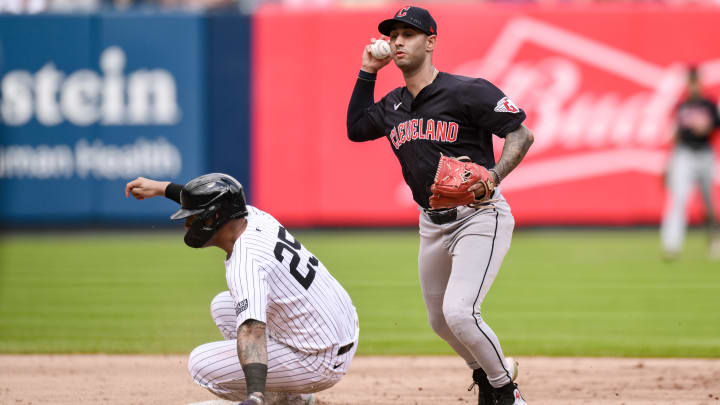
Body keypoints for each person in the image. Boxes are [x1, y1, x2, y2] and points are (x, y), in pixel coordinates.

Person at [346, 6, 534, 405]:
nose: (398, 41)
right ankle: (491, 371)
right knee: (439, 322)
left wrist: (494, 177)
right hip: (431, 222)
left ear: (430, 42)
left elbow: (521, 135)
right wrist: (368, 71)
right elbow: (356, 129)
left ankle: (505, 392)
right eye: (393, 34)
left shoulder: (468, 90)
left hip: (480, 216)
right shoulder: (393, 104)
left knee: (460, 313)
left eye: (408, 34)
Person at [125, 173, 359, 405]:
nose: (188, 223)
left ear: (214, 218)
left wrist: (255, 396)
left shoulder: (246, 261)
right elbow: (213, 200)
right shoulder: (254, 217)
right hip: (341, 329)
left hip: (318, 362)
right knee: (222, 305)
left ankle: (280, 402)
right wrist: (161, 188)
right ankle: (293, 397)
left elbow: (251, 331)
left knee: (200, 365)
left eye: (193, 216)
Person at [660, 66, 720, 260]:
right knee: (678, 200)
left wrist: (706, 126)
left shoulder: (709, 105)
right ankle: (672, 245)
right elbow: (675, 135)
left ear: (700, 82)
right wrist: (668, 164)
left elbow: (714, 127)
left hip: (704, 154)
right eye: (690, 81)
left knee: (708, 205)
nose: (693, 84)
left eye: (695, 81)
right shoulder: (682, 106)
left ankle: (714, 240)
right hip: (684, 154)